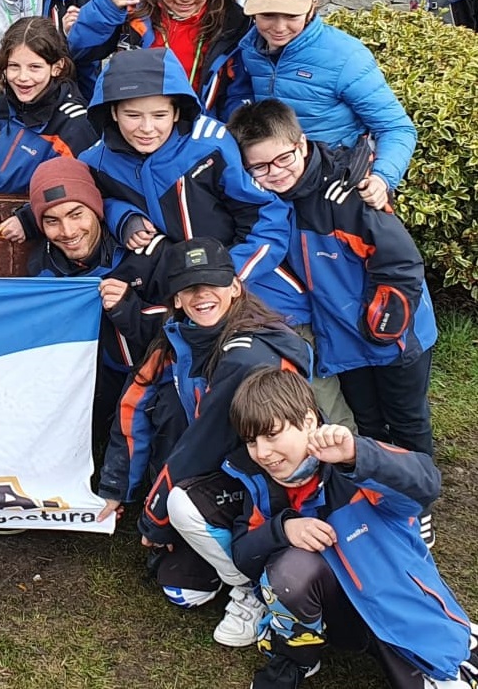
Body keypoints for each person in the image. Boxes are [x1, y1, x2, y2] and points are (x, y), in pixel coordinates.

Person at [229, 99, 437, 544]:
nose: (275, 172)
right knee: (368, 421)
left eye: (282, 158)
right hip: (341, 342)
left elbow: (400, 263)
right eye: (260, 167)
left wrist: (382, 327)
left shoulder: (349, 191)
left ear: (300, 142)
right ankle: (380, 494)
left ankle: (417, 501)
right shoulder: (271, 203)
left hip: (395, 337)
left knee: (407, 420)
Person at [96, 238, 311, 646]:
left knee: (180, 505)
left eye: (212, 283)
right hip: (227, 473)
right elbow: (134, 404)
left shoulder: (248, 352)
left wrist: (155, 518)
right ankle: (229, 562)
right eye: (190, 288)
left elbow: (201, 445)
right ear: (176, 298)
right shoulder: (178, 336)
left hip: (276, 482)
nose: (201, 296)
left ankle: (255, 588)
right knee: (184, 591)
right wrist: (115, 488)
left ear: (235, 286)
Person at [221, 369, 477, 688]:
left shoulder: (353, 462)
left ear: (309, 422)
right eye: (251, 440)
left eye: (272, 435)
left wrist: (358, 456)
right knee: (288, 571)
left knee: (443, 668)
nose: (262, 453)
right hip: (340, 615)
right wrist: (283, 529)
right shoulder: (260, 484)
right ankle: (297, 656)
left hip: (394, 606)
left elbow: (426, 483)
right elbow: (243, 555)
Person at [76, 47, 291, 303]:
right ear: (112, 112)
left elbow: (266, 217)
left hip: (244, 286)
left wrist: (225, 273)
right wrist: (123, 217)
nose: (146, 128)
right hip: (167, 293)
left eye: (160, 115)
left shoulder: (212, 147)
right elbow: (93, 204)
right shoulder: (96, 161)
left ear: (177, 111)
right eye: (132, 115)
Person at [225, 0, 417, 209]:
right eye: (267, 15)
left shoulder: (346, 56)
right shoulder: (249, 49)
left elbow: (396, 128)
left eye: (291, 16)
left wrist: (382, 179)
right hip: (275, 181)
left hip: (334, 185)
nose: (279, 27)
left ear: (311, 7)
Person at [21, 159, 170, 458]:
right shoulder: (41, 268)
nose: (68, 230)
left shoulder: (148, 251)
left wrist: (128, 307)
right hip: (90, 383)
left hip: (155, 379)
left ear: (97, 210)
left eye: (77, 214)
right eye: (52, 221)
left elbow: (182, 327)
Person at [68, 0, 249, 115]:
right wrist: (105, 10)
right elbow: (79, 50)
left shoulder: (232, 24)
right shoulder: (132, 11)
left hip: (199, 131)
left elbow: (238, 92)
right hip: (138, 125)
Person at [0, 16, 96, 196]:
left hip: (31, 218)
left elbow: (76, 195)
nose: (23, 77)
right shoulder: (2, 106)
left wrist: (23, 219)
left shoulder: (73, 126)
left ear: (57, 67)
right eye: (13, 66)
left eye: (34, 67)